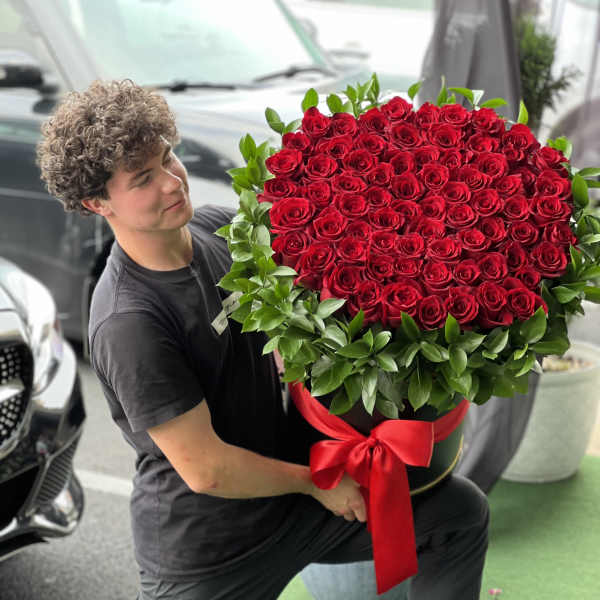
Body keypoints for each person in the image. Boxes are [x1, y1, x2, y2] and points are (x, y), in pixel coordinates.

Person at [37, 79, 489, 600]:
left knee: (458, 515)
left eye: (168, 158)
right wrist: (314, 481)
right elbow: (206, 470)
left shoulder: (220, 231)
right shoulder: (129, 322)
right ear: (97, 202)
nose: (171, 182)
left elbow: (327, 242)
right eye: (143, 179)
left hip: (286, 503)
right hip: (211, 551)